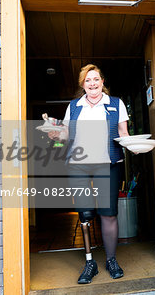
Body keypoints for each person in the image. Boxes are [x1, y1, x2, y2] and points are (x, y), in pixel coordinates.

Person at [48, 64, 129, 284]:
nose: (92, 83)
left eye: (96, 79)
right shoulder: (74, 107)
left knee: (108, 213)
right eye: (87, 81)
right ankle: (90, 262)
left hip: (107, 163)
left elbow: (124, 134)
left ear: (102, 81)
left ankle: (111, 260)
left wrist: (134, 145)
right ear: (82, 85)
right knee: (84, 215)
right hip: (79, 165)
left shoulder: (115, 104)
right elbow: (63, 137)